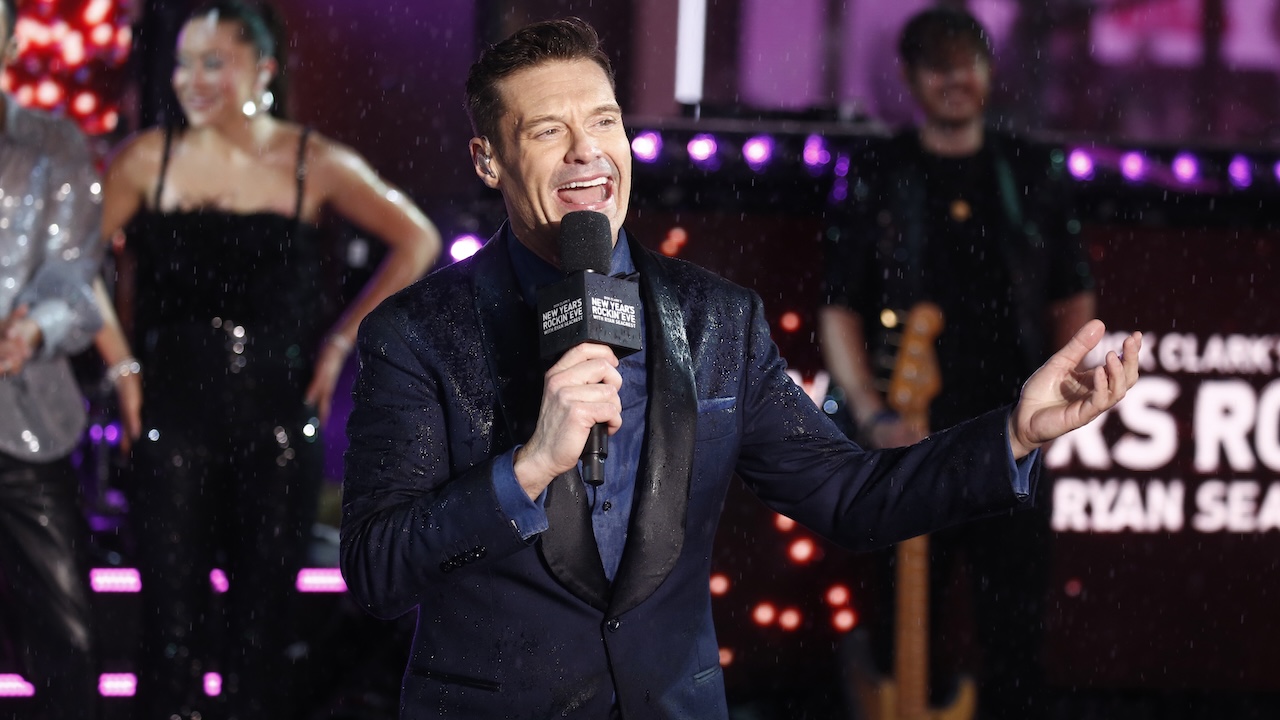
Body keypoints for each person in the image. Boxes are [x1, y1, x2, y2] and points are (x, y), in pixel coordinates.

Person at [339, 17, 1138, 720]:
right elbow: (377, 571)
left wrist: (1014, 433)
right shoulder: (418, 334)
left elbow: (850, 496)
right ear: (488, 161)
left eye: (604, 121)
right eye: (549, 130)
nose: (587, 150)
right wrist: (529, 469)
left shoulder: (716, 319)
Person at [98, 0, 441, 716]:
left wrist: (343, 340)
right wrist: (120, 364)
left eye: (213, 62)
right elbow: (71, 264)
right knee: (170, 622)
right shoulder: (145, 159)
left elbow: (417, 239)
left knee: (262, 623)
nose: (192, 80)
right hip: (172, 411)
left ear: (262, 69)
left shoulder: (310, 158)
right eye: (183, 64)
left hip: (277, 416)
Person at [818, 7, 1097, 719]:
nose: (956, 79)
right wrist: (873, 414)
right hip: (910, 436)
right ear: (911, 77)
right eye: (938, 66)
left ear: (989, 70)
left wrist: (1067, 386)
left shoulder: (1029, 169)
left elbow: (1071, 293)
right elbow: (839, 307)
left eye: (967, 62)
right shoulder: (881, 169)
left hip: (1014, 428)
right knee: (901, 629)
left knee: (1016, 634)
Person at [0, 0, 105, 716]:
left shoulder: (52, 143)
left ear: (10, 42)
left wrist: (31, 329)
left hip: (24, 419)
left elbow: (75, 272)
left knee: (69, 644)